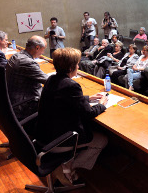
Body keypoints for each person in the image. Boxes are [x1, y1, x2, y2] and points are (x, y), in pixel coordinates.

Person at [35, 47, 108, 185]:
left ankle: (66, 163)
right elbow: (89, 113)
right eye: (77, 63)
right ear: (71, 67)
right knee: (102, 140)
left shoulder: (51, 79)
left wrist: (87, 98)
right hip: (59, 141)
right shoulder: (71, 85)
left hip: (43, 136)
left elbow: (65, 98)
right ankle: (67, 167)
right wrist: (102, 104)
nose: (78, 66)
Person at [6, 36, 48, 120]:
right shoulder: (27, 62)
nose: (42, 53)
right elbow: (48, 81)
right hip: (24, 105)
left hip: (12, 100)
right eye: (43, 49)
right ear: (37, 48)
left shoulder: (16, 56)